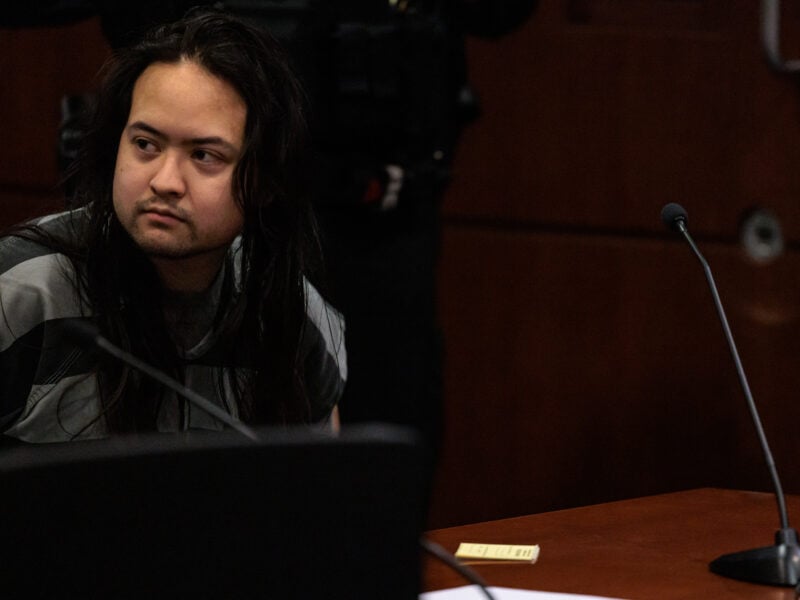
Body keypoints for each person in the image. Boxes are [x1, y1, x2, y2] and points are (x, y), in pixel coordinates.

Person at [0, 9, 347, 444]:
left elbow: (318, 497)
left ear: (263, 184)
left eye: (204, 156)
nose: (164, 182)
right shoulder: (19, 293)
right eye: (145, 144)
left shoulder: (293, 319)